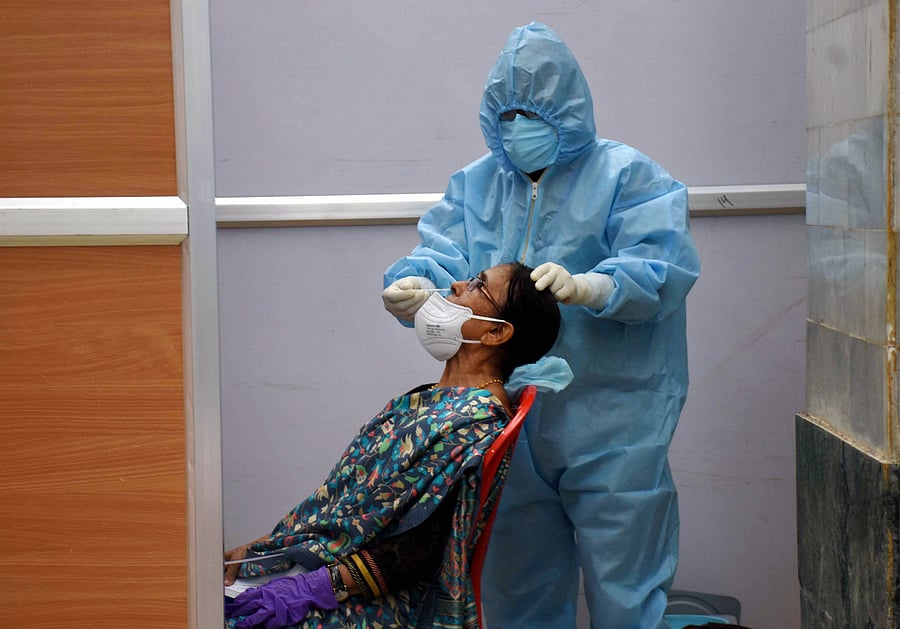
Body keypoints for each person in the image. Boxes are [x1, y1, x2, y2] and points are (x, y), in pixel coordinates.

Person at [381, 22, 700, 629]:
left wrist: (594, 287)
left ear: (569, 110)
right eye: (508, 114)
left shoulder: (626, 177)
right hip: (504, 421)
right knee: (515, 591)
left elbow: (664, 267)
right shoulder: (475, 185)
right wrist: (415, 286)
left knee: (626, 590)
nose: (518, 127)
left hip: (614, 420)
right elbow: (442, 257)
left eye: (532, 112)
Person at [224, 262, 562, 629]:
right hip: (322, 569)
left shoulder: (473, 423)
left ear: (496, 332)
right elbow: (341, 501)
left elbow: (419, 549)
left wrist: (312, 587)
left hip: (372, 602)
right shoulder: (433, 399)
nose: (457, 283)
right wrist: (271, 547)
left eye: (478, 285)